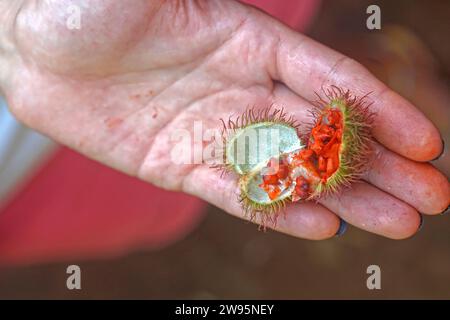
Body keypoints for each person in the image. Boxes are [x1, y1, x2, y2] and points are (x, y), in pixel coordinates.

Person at [0, 0, 448, 244]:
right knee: (155, 207)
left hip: (63, 89)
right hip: (41, 160)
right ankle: (379, 62)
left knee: (262, 39)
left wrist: (14, 32)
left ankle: (363, 56)